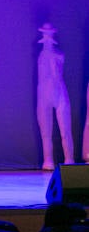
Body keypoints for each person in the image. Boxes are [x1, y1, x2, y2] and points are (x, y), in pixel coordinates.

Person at [36, 22, 75, 170]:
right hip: (44, 94)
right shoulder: (41, 56)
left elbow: (56, 74)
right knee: (46, 132)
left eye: (49, 34)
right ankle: (48, 160)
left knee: (65, 129)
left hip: (59, 93)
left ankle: (69, 159)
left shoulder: (58, 55)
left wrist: (52, 57)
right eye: (45, 34)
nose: (47, 36)